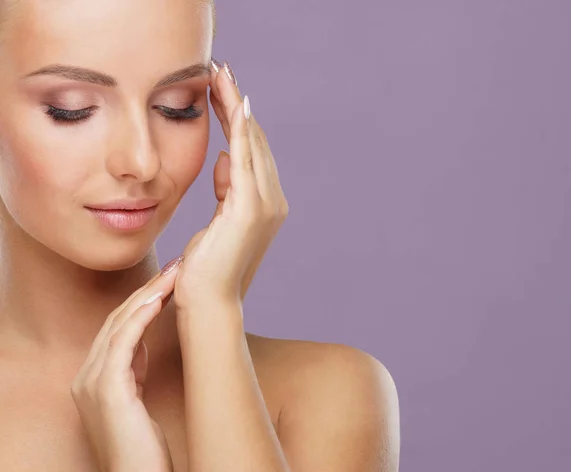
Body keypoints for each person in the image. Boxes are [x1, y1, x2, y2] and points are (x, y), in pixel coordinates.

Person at [0, 0, 400, 470]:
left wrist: (211, 311)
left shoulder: (326, 393)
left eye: (177, 108)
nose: (141, 161)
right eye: (73, 110)